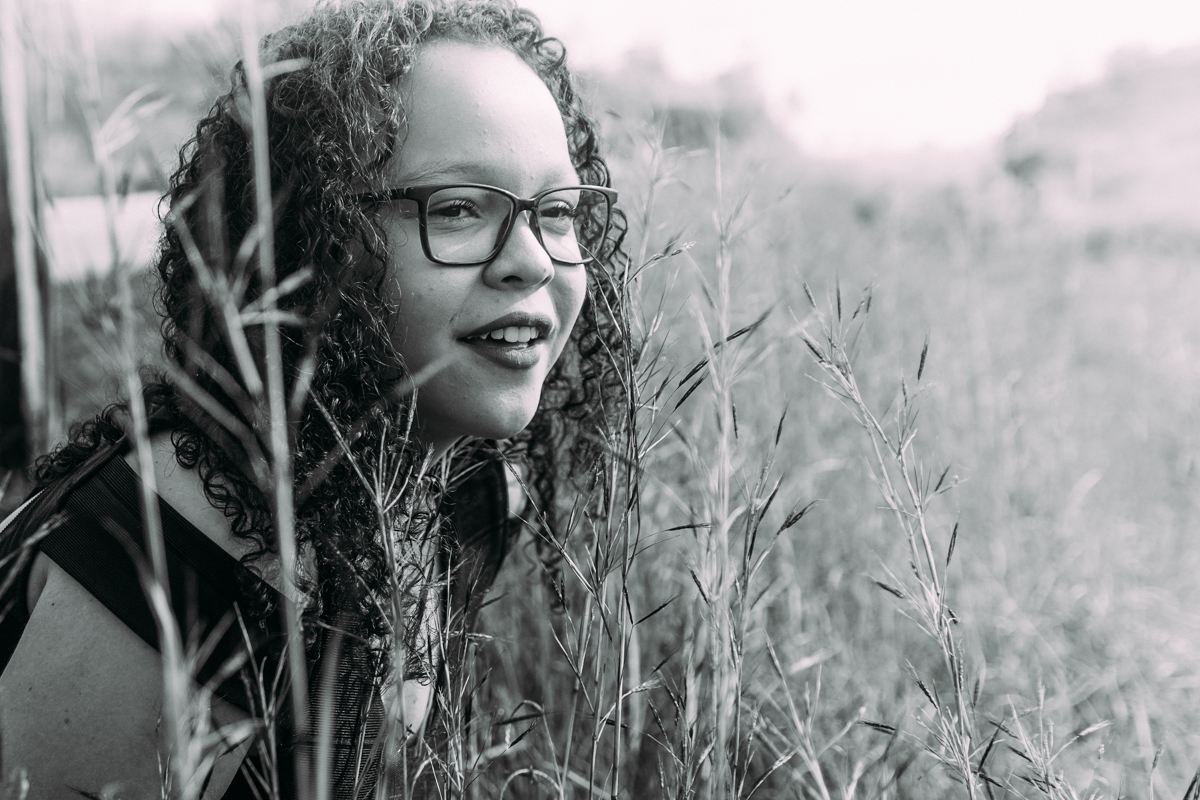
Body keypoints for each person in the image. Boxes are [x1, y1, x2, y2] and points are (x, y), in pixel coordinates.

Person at [0, 0, 631, 797]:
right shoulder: (190, 535)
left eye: (559, 211)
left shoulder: (471, 492)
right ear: (315, 237)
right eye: (458, 208)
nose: (534, 261)